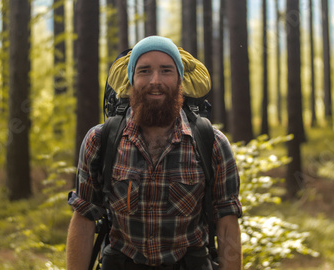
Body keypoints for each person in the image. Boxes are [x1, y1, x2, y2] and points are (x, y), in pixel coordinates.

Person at [66, 36, 242, 270]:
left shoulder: (212, 143)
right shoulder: (100, 141)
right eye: (144, 71)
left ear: (180, 79)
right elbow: (84, 218)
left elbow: (227, 224)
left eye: (166, 70)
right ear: (131, 80)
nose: (155, 80)